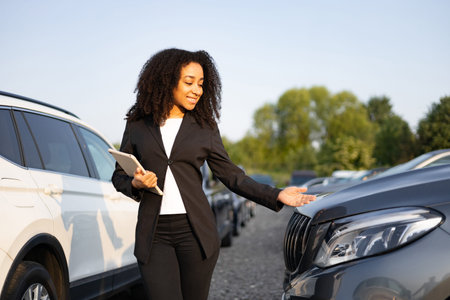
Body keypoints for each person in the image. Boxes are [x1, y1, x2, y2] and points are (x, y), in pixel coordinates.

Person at [111, 48, 316, 300]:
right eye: (189, 82)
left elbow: (232, 176)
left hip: (195, 234)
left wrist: (276, 194)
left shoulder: (204, 128)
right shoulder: (137, 125)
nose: (197, 90)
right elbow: (118, 175)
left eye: (201, 84)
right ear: (166, 81)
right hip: (154, 236)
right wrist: (135, 182)